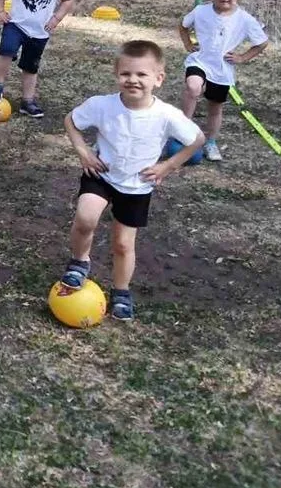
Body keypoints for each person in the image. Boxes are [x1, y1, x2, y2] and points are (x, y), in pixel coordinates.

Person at [60, 40, 204, 321]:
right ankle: (79, 262)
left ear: (158, 79)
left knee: (123, 244)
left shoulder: (166, 115)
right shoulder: (102, 105)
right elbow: (71, 121)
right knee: (86, 217)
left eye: (141, 74)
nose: (133, 80)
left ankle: (121, 291)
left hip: (137, 186)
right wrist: (83, 151)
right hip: (101, 174)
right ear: (116, 74)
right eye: (126, 73)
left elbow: (197, 139)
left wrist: (167, 166)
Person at [178, 0, 268, 162]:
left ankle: (210, 142)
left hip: (221, 70)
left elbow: (262, 42)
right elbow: (183, 26)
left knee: (215, 107)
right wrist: (187, 44)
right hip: (200, 61)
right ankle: (182, 131)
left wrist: (242, 57)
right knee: (193, 87)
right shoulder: (201, 11)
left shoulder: (244, 19)